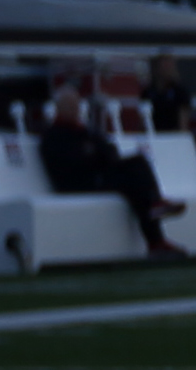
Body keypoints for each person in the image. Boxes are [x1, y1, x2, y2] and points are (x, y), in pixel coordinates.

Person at [39, 73, 187, 256]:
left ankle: (155, 220)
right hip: (82, 182)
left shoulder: (84, 131)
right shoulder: (54, 136)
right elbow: (73, 163)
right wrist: (95, 156)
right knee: (135, 180)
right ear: (60, 108)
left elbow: (108, 151)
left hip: (97, 175)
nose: (75, 109)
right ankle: (155, 233)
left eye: (76, 104)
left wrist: (96, 155)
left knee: (137, 167)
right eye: (70, 105)